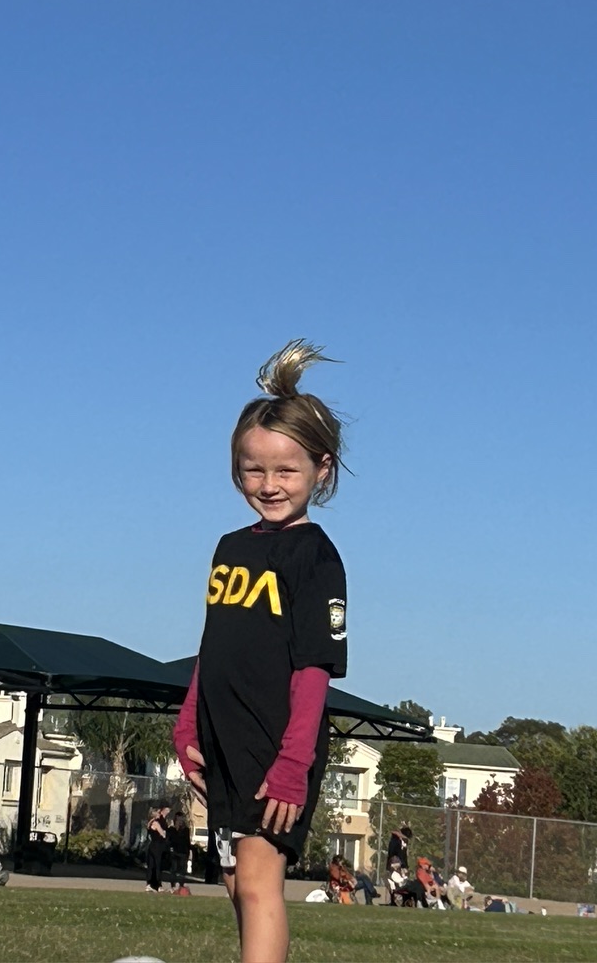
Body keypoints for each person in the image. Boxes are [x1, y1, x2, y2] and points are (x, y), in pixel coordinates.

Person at [173, 339, 348, 963]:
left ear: (321, 469)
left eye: (286, 471)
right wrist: (188, 724)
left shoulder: (315, 557)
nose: (269, 485)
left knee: (256, 881)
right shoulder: (231, 547)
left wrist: (293, 763)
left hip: (276, 746)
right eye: (254, 470)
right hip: (222, 740)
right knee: (232, 879)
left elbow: (314, 667)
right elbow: (213, 646)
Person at [145, 803, 170, 892]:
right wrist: (165, 833)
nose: (160, 814)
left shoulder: (150, 822)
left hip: (152, 845)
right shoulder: (156, 823)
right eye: (158, 813)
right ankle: (158, 885)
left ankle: (149, 884)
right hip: (157, 846)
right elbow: (162, 834)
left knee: (151, 866)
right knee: (158, 865)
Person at [168, 812, 192, 894]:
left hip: (183, 852)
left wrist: (189, 851)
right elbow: (170, 840)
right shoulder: (172, 830)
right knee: (174, 869)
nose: (180, 821)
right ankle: (173, 885)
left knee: (182, 869)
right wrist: (170, 849)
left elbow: (187, 842)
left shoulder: (186, 830)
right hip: (174, 851)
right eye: (178, 820)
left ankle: (181, 885)